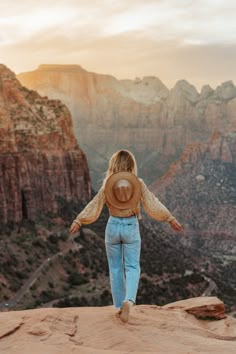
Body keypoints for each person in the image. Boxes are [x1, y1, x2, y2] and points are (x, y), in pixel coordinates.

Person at [69, 149, 183, 323]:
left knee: (115, 269)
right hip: (130, 226)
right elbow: (152, 203)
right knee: (132, 267)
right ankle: (128, 301)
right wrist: (169, 218)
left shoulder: (108, 184)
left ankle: (118, 307)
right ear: (132, 165)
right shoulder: (137, 183)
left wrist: (79, 220)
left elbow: (95, 205)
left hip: (112, 227)